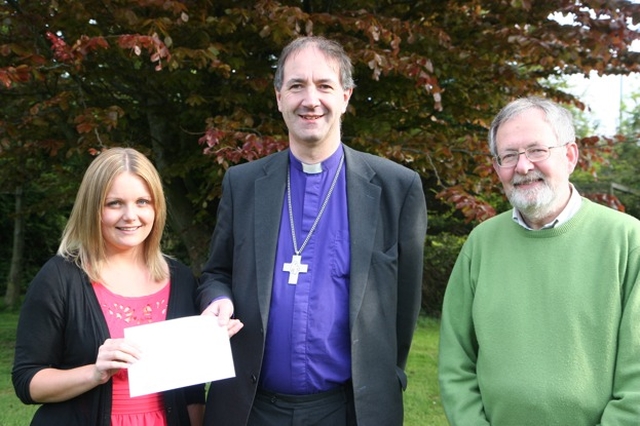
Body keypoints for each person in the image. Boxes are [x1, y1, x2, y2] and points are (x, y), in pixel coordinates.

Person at [196, 36, 428, 426]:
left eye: (324, 86)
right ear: (278, 97)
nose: (310, 99)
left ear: (346, 96)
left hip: (348, 409)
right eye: (297, 86)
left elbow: (405, 303)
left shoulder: (395, 187)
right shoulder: (243, 183)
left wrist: (391, 375)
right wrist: (216, 299)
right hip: (250, 407)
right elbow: (216, 272)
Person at [438, 96, 640, 425]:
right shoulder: (481, 243)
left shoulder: (629, 241)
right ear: (496, 167)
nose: (523, 166)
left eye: (537, 150)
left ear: (570, 155)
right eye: (509, 155)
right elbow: (455, 361)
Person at [12, 147, 206, 426]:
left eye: (143, 201)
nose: (131, 215)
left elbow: (192, 389)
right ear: (93, 208)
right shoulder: (59, 278)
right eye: (114, 203)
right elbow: (27, 381)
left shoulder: (181, 278)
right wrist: (95, 373)